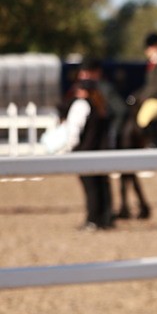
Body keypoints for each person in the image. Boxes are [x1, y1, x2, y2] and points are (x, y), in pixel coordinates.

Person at [61, 79, 114, 230]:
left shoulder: (81, 105)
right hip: (100, 152)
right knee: (101, 185)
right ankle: (105, 218)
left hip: (84, 151)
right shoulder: (101, 105)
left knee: (90, 187)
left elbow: (74, 131)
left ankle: (92, 219)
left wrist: (69, 148)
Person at [130, 32, 157, 145]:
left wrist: (144, 96)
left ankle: (152, 143)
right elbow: (148, 85)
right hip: (151, 98)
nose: (147, 51)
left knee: (143, 119)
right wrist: (135, 96)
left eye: (149, 48)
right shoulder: (152, 63)